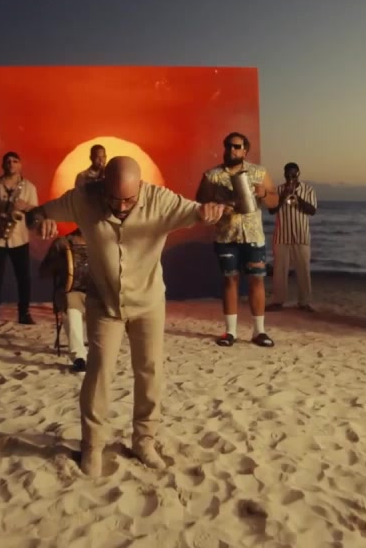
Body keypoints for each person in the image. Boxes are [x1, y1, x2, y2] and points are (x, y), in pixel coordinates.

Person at [27, 156, 227, 477]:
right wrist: (40, 222)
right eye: (114, 199)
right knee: (99, 372)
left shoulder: (161, 200)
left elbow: (197, 212)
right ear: (102, 186)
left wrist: (208, 213)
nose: (121, 207)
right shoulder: (83, 198)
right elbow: (36, 213)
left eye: (129, 200)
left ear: (141, 188)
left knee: (149, 371)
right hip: (104, 303)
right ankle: (92, 446)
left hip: (148, 303)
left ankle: (144, 441)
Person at [196, 132, 279, 347]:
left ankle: (259, 332)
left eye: (236, 146)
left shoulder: (259, 172)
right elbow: (200, 202)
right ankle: (230, 332)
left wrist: (263, 193)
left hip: (253, 236)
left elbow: (274, 203)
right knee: (230, 280)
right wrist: (217, 206)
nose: (231, 150)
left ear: (245, 150)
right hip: (226, 235)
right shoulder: (212, 176)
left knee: (257, 280)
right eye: (228, 146)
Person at [0, 151, 39, 327]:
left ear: (20, 164)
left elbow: (36, 212)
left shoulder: (29, 187)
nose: (11, 164)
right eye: (8, 161)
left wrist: (25, 206)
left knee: (24, 278)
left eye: (15, 161)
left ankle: (24, 313)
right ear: (3, 165)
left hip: (19, 238)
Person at [267, 162, 318, 312]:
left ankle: (304, 302)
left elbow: (312, 210)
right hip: (282, 236)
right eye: (288, 176)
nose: (290, 178)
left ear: (298, 174)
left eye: (293, 175)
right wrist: (283, 196)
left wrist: (297, 197)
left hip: (301, 236)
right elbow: (271, 210)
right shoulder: (278, 190)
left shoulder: (308, 189)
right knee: (279, 271)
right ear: (284, 175)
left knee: (303, 270)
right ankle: (278, 301)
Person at [40, 228, 90, 372]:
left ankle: (99, 353)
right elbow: (44, 271)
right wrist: (60, 260)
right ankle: (79, 358)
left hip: (96, 292)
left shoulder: (102, 239)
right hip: (70, 291)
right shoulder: (63, 242)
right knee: (71, 304)